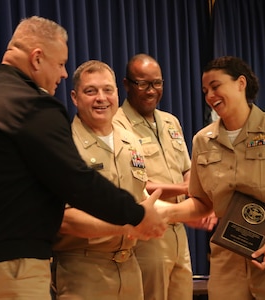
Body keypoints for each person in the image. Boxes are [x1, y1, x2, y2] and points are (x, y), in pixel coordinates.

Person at [0, 17, 166, 300]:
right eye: (60, 64)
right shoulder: (31, 105)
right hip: (8, 268)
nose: (62, 73)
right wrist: (138, 215)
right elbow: (78, 183)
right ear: (36, 59)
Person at [156, 56, 265, 299]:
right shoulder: (202, 141)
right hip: (229, 259)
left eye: (216, 86)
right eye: (205, 90)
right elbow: (203, 203)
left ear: (240, 83)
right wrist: (165, 212)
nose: (210, 95)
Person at [52, 60, 152, 299]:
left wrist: (184, 211)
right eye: (91, 91)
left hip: (130, 269)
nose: (101, 98)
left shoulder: (132, 141)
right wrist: (131, 224)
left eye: (108, 90)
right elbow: (65, 219)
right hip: (83, 271)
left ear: (118, 93)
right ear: (75, 98)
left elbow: (142, 197)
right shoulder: (63, 145)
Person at [113, 53, 198, 300]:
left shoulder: (171, 121)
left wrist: (192, 190)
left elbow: (186, 167)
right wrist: (186, 189)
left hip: (179, 231)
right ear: (127, 84)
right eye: (143, 84)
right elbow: (137, 184)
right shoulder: (117, 125)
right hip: (148, 234)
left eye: (157, 83)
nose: (151, 91)